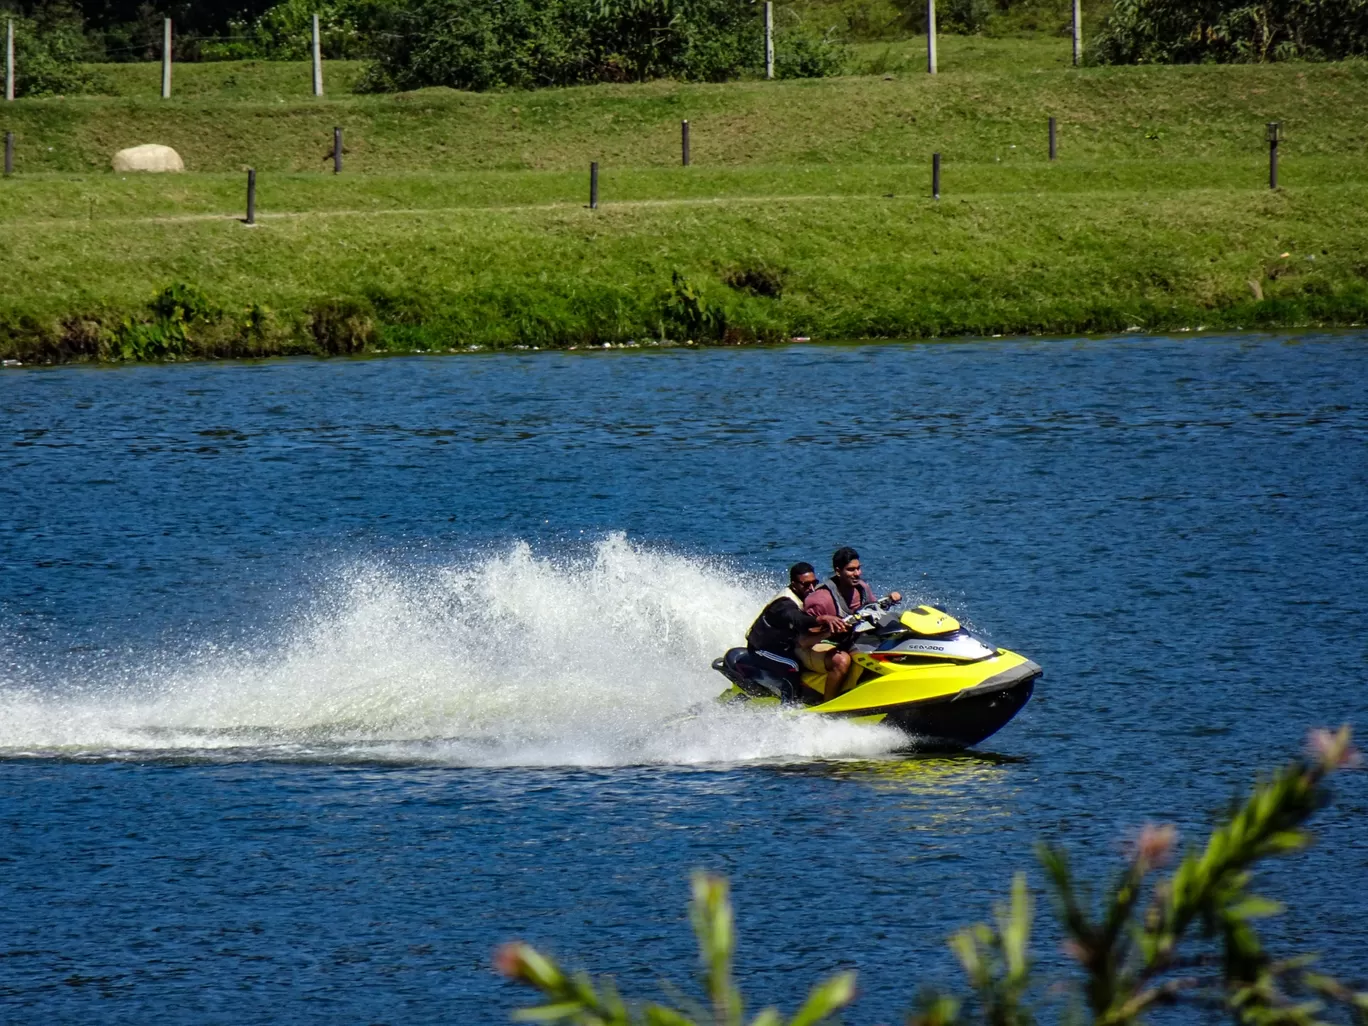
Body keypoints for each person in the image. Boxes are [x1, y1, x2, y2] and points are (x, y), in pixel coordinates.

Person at [800, 547, 903, 700]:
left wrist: (888, 600)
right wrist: (831, 631)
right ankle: (828, 707)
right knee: (842, 661)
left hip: (848, 640)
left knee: (890, 646)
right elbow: (803, 640)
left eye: (858, 568)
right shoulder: (820, 600)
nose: (857, 574)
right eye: (851, 570)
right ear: (838, 571)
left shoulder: (862, 588)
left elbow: (872, 611)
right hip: (814, 644)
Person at [745, 562, 845, 675]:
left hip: (784, 646)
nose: (811, 589)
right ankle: (788, 693)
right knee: (793, 666)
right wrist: (823, 618)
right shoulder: (784, 603)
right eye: (806, 584)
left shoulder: (807, 595)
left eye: (814, 583)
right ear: (794, 584)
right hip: (762, 648)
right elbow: (798, 620)